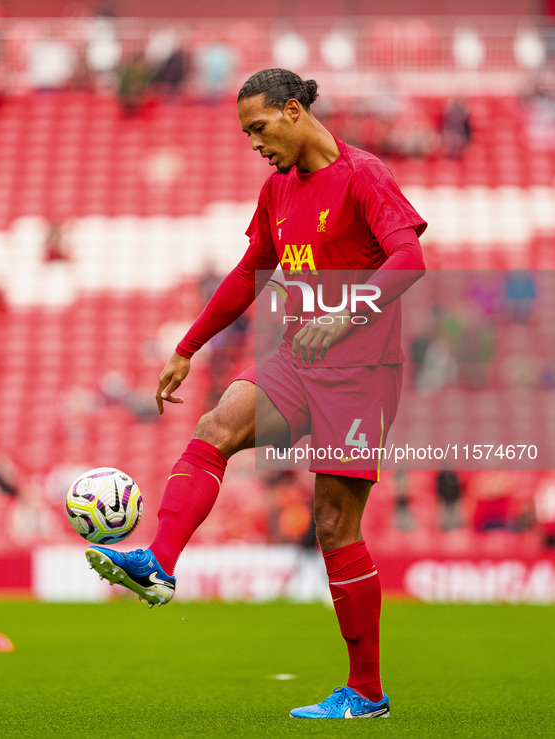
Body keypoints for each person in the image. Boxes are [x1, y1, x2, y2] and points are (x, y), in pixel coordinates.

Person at [86, 68, 426, 720]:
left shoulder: (363, 174)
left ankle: (366, 691)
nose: (255, 144)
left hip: (361, 371)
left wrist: (347, 311)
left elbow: (407, 258)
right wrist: (187, 347)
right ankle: (157, 561)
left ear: (293, 112)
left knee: (333, 525)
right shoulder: (276, 190)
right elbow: (249, 273)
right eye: (246, 134)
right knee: (215, 427)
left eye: (260, 127)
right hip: (297, 358)